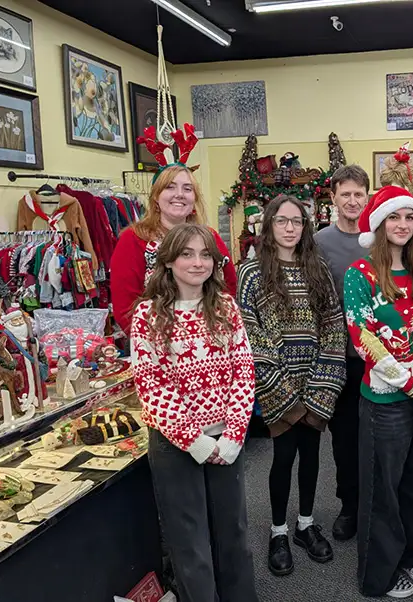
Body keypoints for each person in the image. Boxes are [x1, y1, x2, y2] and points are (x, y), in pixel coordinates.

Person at [131, 223, 258, 602]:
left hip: (226, 440)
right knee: (190, 540)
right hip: (176, 444)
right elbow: (151, 385)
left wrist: (234, 434)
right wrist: (194, 440)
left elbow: (243, 371)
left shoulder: (225, 308)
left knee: (233, 531)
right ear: (168, 260)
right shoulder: (147, 315)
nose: (197, 262)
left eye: (205, 254)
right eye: (186, 253)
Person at [344, 185, 413, 599]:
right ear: (380, 223)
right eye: (394, 217)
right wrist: (410, 384)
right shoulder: (360, 274)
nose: (402, 225)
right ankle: (379, 574)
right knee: (382, 489)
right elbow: (363, 338)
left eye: (409, 217)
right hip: (386, 399)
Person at [238, 194, 347, 577]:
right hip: (278, 387)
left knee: (314, 458)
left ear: (305, 227)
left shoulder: (317, 268)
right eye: (282, 221)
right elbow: (251, 333)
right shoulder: (252, 273)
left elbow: (334, 326)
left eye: (296, 222)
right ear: (268, 226)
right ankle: (278, 531)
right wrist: (281, 390)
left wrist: (322, 385)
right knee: (282, 459)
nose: (289, 228)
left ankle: (305, 524)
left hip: (316, 382)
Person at [111, 126, 237, 335]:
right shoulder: (134, 240)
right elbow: (125, 306)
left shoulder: (210, 238)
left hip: (207, 340)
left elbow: (228, 288)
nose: (179, 194)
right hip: (155, 343)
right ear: (155, 197)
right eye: (170, 187)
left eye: (187, 189)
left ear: (194, 198)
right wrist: (157, 341)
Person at [314, 164, 370, 541]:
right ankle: (349, 506)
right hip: (342, 359)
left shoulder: (379, 236)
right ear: (333, 197)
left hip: (381, 361)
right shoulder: (319, 242)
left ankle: (376, 505)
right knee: (346, 440)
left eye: (358, 194)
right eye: (345, 194)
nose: (352, 201)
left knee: (381, 437)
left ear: (367, 197)